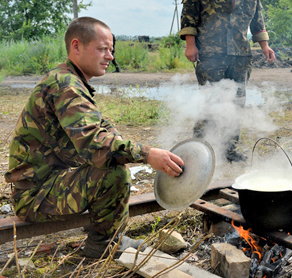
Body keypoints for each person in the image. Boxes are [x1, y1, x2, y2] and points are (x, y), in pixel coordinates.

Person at [6, 17, 184, 258]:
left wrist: (116, 137)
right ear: (76, 46)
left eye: (111, 50)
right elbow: (92, 144)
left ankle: (111, 235)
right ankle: (102, 246)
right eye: (102, 49)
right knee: (114, 175)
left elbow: (99, 125)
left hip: (51, 182)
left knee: (110, 157)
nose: (110, 56)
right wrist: (147, 154)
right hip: (35, 196)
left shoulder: (71, 80)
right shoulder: (66, 85)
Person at [179, 0, 275, 162]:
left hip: (240, 53)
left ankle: (229, 150)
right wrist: (190, 44)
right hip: (210, 52)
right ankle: (200, 151)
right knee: (210, 102)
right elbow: (190, 10)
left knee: (237, 103)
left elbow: (257, 14)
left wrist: (264, 44)